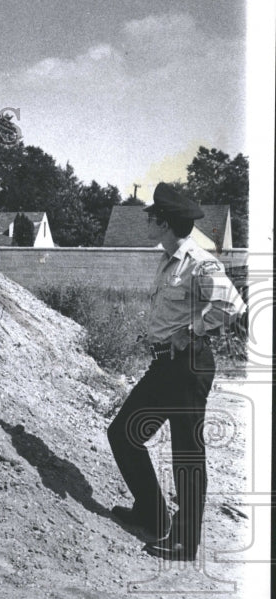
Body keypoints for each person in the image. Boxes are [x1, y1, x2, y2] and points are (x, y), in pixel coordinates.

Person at [107, 182, 246, 561]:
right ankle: (152, 514)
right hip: (165, 366)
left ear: (165, 223)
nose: (148, 219)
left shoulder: (199, 261)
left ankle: (185, 541)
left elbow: (231, 305)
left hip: (188, 366)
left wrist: (190, 332)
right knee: (123, 433)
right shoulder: (168, 258)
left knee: (187, 453)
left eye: (152, 216)